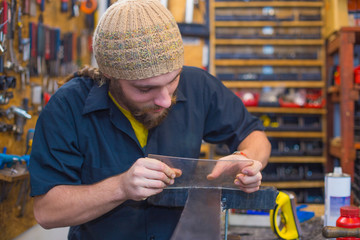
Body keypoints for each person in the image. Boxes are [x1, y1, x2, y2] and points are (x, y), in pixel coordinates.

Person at [29, 0, 271, 239]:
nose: (165, 100)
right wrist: (120, 187)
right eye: (146, 89)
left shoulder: (198, 85)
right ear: (110, 75)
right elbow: (47, 211)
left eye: (173, 80)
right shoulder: (68, 106)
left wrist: (246, 161)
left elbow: (255, 136)